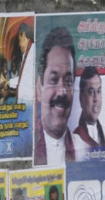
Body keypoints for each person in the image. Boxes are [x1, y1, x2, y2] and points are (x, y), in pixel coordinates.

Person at [35, 27, 76, 165]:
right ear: (39, 89)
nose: (62, 91)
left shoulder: (84, 148)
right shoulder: (26, 148)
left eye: (68, 81)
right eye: (53, 80)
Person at [72, 66, 105, 159]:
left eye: (98, 91)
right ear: (81, 98)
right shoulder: (76, 137)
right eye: (91, 92)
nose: (96, 98)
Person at [11, 23, 35, 104]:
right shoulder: (26, 54)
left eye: (19, 39)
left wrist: (9, 82)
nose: (19, 44)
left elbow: (25, 80)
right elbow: (23, 79)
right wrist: (9, 82)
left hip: (29, 101)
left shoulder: (33, 51)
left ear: (24, 35)